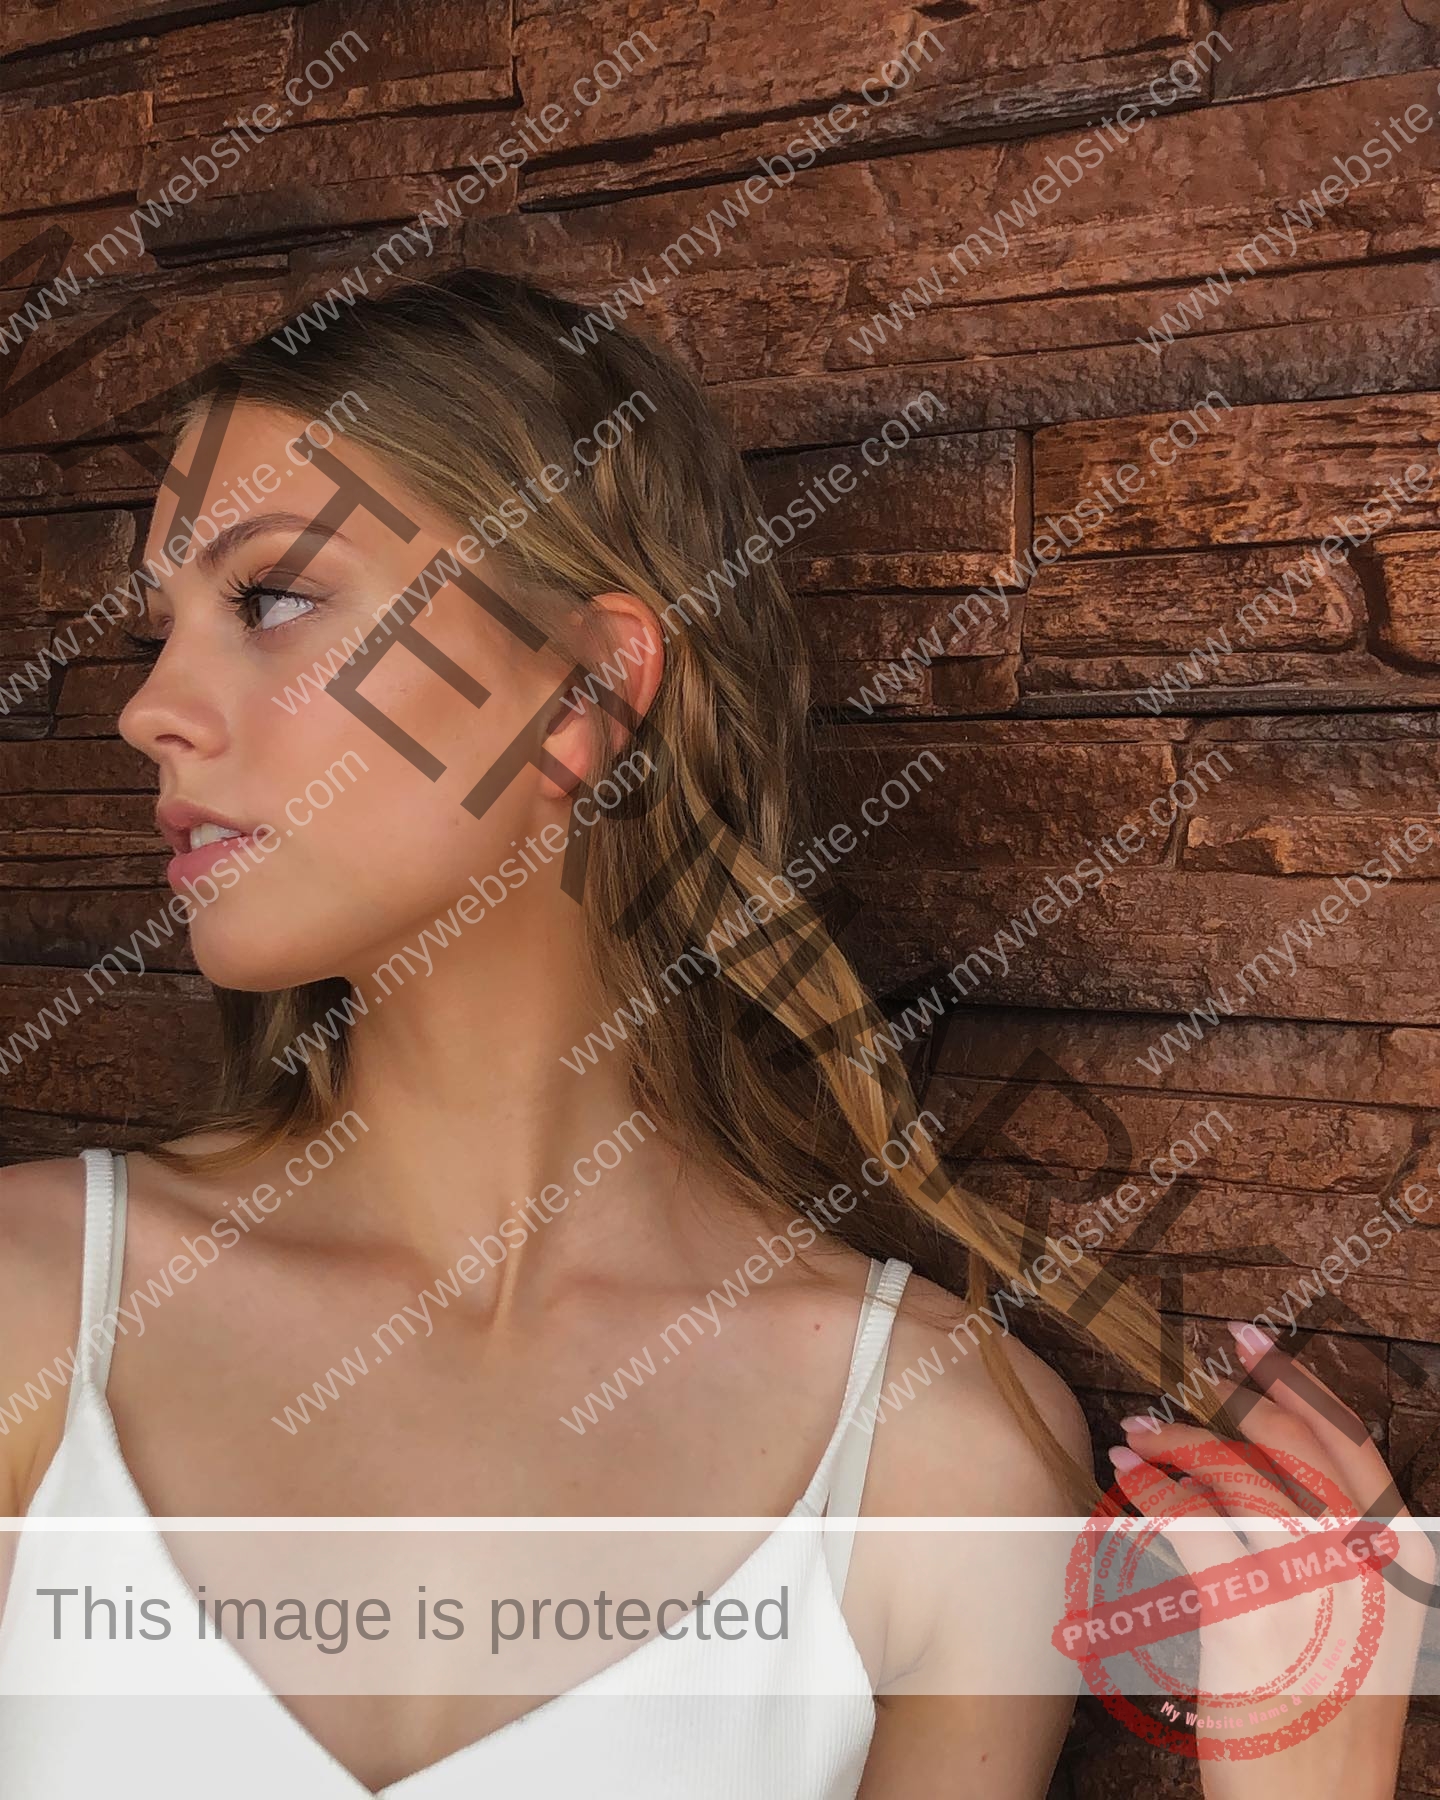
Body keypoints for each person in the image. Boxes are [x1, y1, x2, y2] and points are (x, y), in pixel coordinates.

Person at [0, 270, 1422, 1796]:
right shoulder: (33, 1309)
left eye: (272, 597)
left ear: (586, 692)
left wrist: (1314, 1765)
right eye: (159, 631)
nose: (150, 708)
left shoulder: (935, 1459)